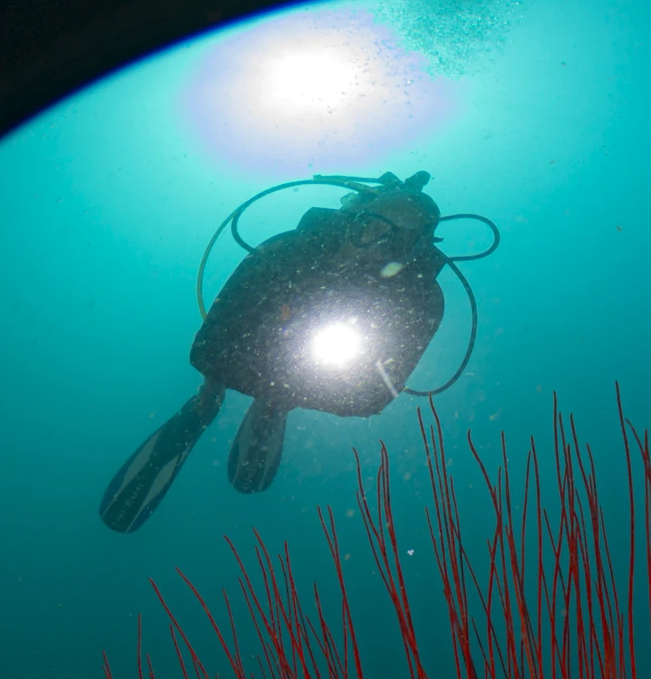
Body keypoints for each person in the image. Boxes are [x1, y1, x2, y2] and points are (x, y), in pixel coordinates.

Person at [100, 171, 450, 526]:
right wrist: (219, 376)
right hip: (251, 347)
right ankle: (207, 403)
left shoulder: (422, 300)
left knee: (281, 394)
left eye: (401, 240)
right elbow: (212, 336)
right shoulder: (288, 249)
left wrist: (289, 392)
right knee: (217, 380)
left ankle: (272, 405)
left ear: (421, 248)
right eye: (373, 228)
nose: (378, 247)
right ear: (354, 220)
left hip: (311, 374)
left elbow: (371, 398)